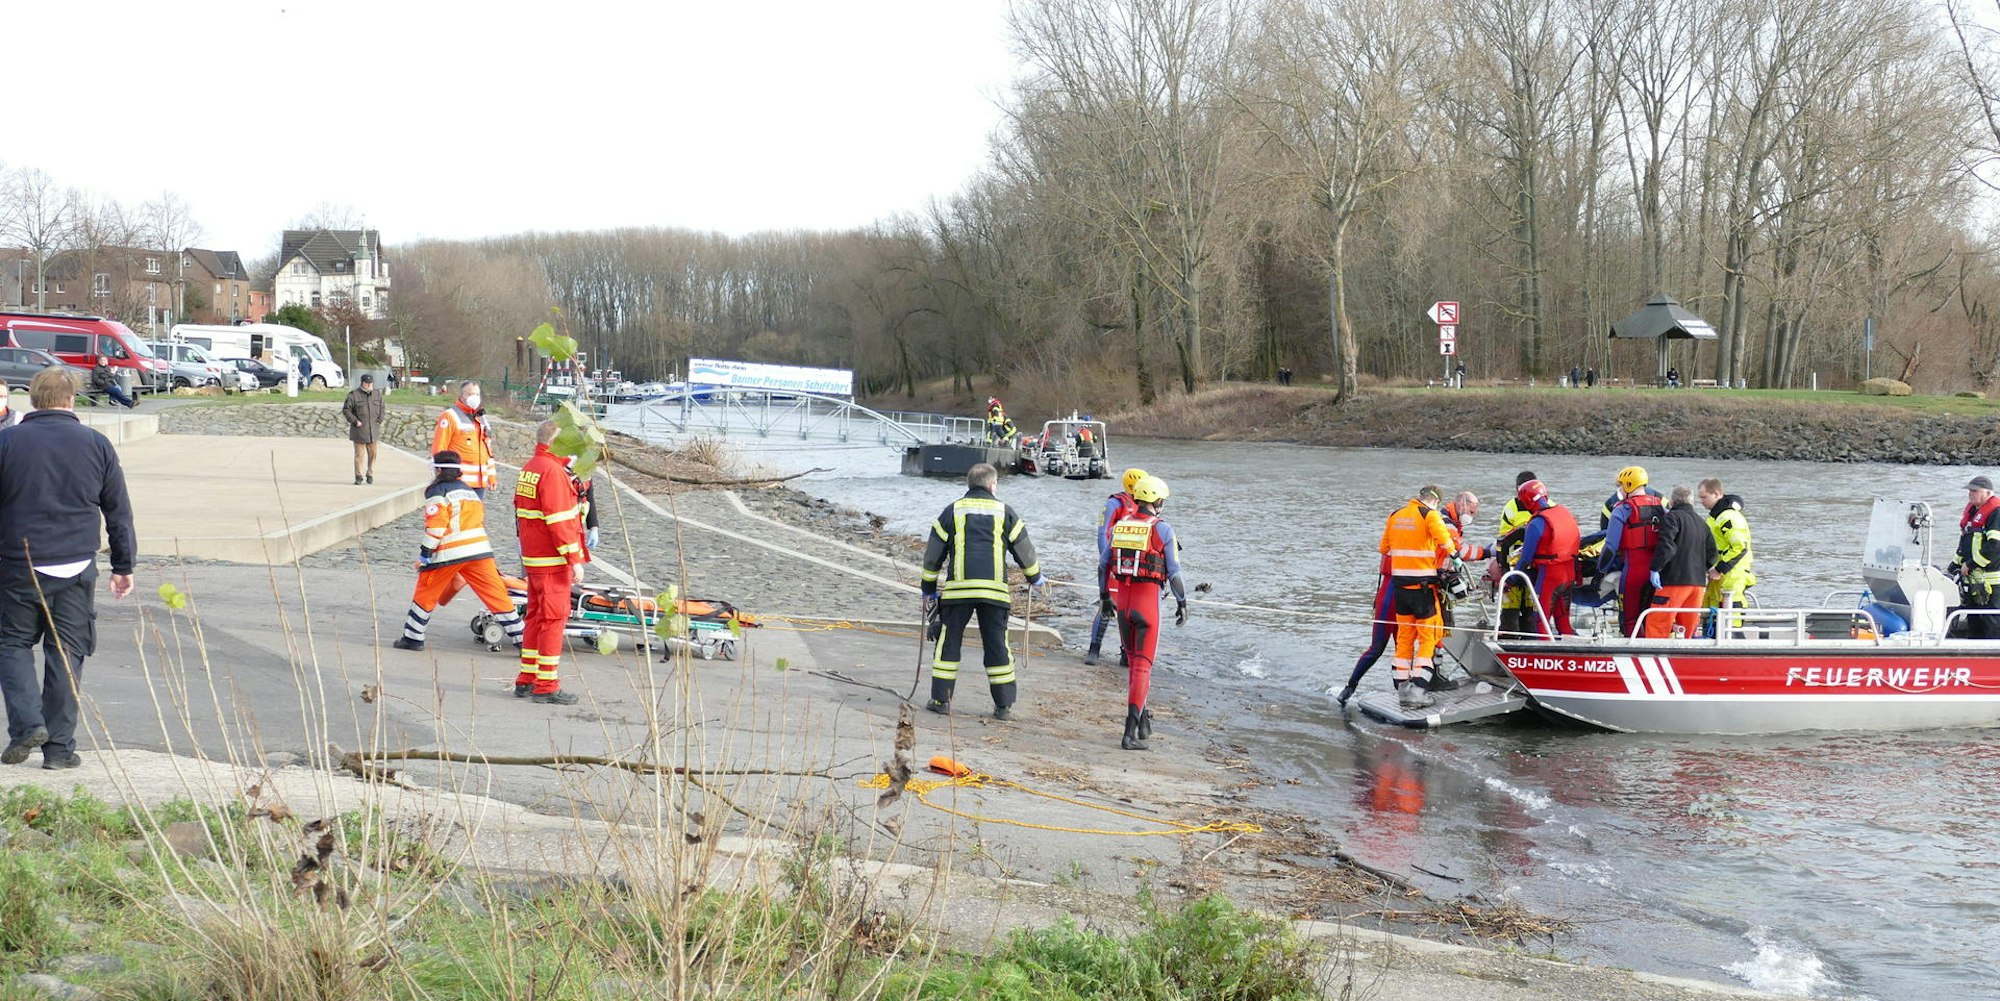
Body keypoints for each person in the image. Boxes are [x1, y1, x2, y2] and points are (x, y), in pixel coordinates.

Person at [0, 366, 135, 770]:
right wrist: (123, 564)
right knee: (66, 653)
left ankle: (27, 726)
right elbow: (118, 510)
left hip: (17, 564)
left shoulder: (7, 443)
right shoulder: (96, 445)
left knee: (11, 644)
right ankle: (59, 750)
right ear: (71, 399)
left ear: (34, 399)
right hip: (75, 566)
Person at [919, 463, 1044, 719]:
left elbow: (933, 555)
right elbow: (1024, 550)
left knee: (948, 644)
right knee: (997, 645)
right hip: (994, 593)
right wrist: (1036, 577)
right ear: (993, 485)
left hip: (958, 592)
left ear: (969, 484)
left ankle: (941, 700)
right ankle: (1003, 706)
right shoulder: (1005, 512)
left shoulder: (952, 511)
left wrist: (928, 589)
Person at [390, 450, 525, 654]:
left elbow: (436, 527)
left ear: (438, 470)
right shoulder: (470, 491)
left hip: (450, 553)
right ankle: (523, 641)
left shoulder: (437, 492)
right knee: (498, 596)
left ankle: (413, 637)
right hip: (480, 551)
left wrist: (425, 554)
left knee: (425, 593)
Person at [1099, 475, 1186, 750]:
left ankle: (1142, 719)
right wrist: (1183, 602)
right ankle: (1129, 733)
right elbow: (1174, 572)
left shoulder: (1120, 527)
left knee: (1135, 666)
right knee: (1142, 667)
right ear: (1158, 502)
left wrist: (1104, 598)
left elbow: (1103, 566)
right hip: (1148, 607)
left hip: (1122, 605)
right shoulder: (1163, 529)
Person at [514, 421, 589, 704]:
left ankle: (526, 679)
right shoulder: (553, 472)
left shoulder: (530, 468)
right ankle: (546, 685)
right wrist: (574, 559)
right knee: (554, 619)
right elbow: (559, 521)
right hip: (551, 558)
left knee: (534, 616)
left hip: (533, 557)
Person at [1378, 485, 1460, 709]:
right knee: (1428, 637)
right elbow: (1446, 543)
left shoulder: (1395, 515)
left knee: (1405, 637)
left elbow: (1384, 547)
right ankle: (1418, 689)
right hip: (1423, 587)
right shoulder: (1430, 515)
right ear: (1435, 501)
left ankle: (1402, 688)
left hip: (1400, 587)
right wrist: (1455, 557)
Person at [1086, 467, 1147, 667]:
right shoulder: (1115, 503)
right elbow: (1102, 532)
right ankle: (1094, 649)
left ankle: (1125, 653)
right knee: (1107, 606)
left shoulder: (1144, 506)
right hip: (1115, 561)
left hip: (1134, 566)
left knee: (1128, 610)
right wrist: (1108, 558)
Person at [1509, 479, 1580, 637]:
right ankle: (1574, 655)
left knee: (1540, 621)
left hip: (1550, 576)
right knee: (1564, 622)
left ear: (1527, 502)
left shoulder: (1536, 524)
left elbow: (1526, 558)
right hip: (1569, 574)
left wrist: (1512, 579)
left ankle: (1542, 655)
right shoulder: (1564, 513)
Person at [1600, 466, 1664, 636]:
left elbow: (1610, 547)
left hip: (1633, 570)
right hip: (1657, 570)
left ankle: (1631, 651)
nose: (1619, 489)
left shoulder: (1622, 509)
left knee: (1629, 617)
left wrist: (1601, 570)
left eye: (1621, 485)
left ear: (1629, 485)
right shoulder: (1660, 505)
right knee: (1652, 616)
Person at [1646, 485, 1717, 639]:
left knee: (1658, 623)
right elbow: (1712, 554)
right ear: (1692, 502)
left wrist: (1655, 568)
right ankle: (1685, 658)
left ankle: (1653, 657)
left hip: (1674, 581)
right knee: (1688, 628)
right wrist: (1698, 569)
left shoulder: (1672, 518)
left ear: (1672, 501)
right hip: (1697, 584)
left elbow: (1667, 546)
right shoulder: (1701, 522)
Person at [1698, 478, 1755, 622]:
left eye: (1704, 497)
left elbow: (1739, 546)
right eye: (1700, 497)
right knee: (1713, 607)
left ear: (1717, 494)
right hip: (1720, 573)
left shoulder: (1728, 517)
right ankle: (1711, 634)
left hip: (1732, 573)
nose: (1701, 501)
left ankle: (1734, 637)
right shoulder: (1715, 516)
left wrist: (1720, 568)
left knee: (1731, 613)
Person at [1951, 475, 2000, 639]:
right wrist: (1953, 567)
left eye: (1974, 491)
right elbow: (1965, 544)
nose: (1970, 494)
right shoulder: (1973, 512)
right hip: (1973, 581)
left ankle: (1992, 659)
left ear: (1987, 493)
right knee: (1974, 621)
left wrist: (1971, 565)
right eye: (1969, 491)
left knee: (1990, 623)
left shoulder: (1996, 513)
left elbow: (1994, 546)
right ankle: (1973, 653)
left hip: (1991, 583)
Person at [1492, 470, 1540, 636]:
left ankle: (1530, 640)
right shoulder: (1511, 508)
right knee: (1509, 611)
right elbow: (1504, 539)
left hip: (1534, 563)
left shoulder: (1545, 506)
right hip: (1513, 562)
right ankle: (1509, 636)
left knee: (1531, 611)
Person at [432, 381, 497, 494]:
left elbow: (487, 450)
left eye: (477, 394)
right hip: (458, 481)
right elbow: (439, 449)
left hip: (480, 483)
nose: (475, 398)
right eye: (470, 394)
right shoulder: (449, 416)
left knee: (475, 512)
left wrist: (491, 476)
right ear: (462, 395)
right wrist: (443, 477)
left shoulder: (481, 418)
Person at [342, 373, 386, 484]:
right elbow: (346, 410)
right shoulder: (354, 395)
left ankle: (370, 473)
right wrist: (355, 421)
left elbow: (382, 408)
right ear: (362, 383)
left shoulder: (377, 394)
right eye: (367, 383)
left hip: (373, 431)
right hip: (359, 431)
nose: (369, 385)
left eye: (370, 383)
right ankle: (358, 476)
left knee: (373, 455)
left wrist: (379, 420)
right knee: (359, 455)